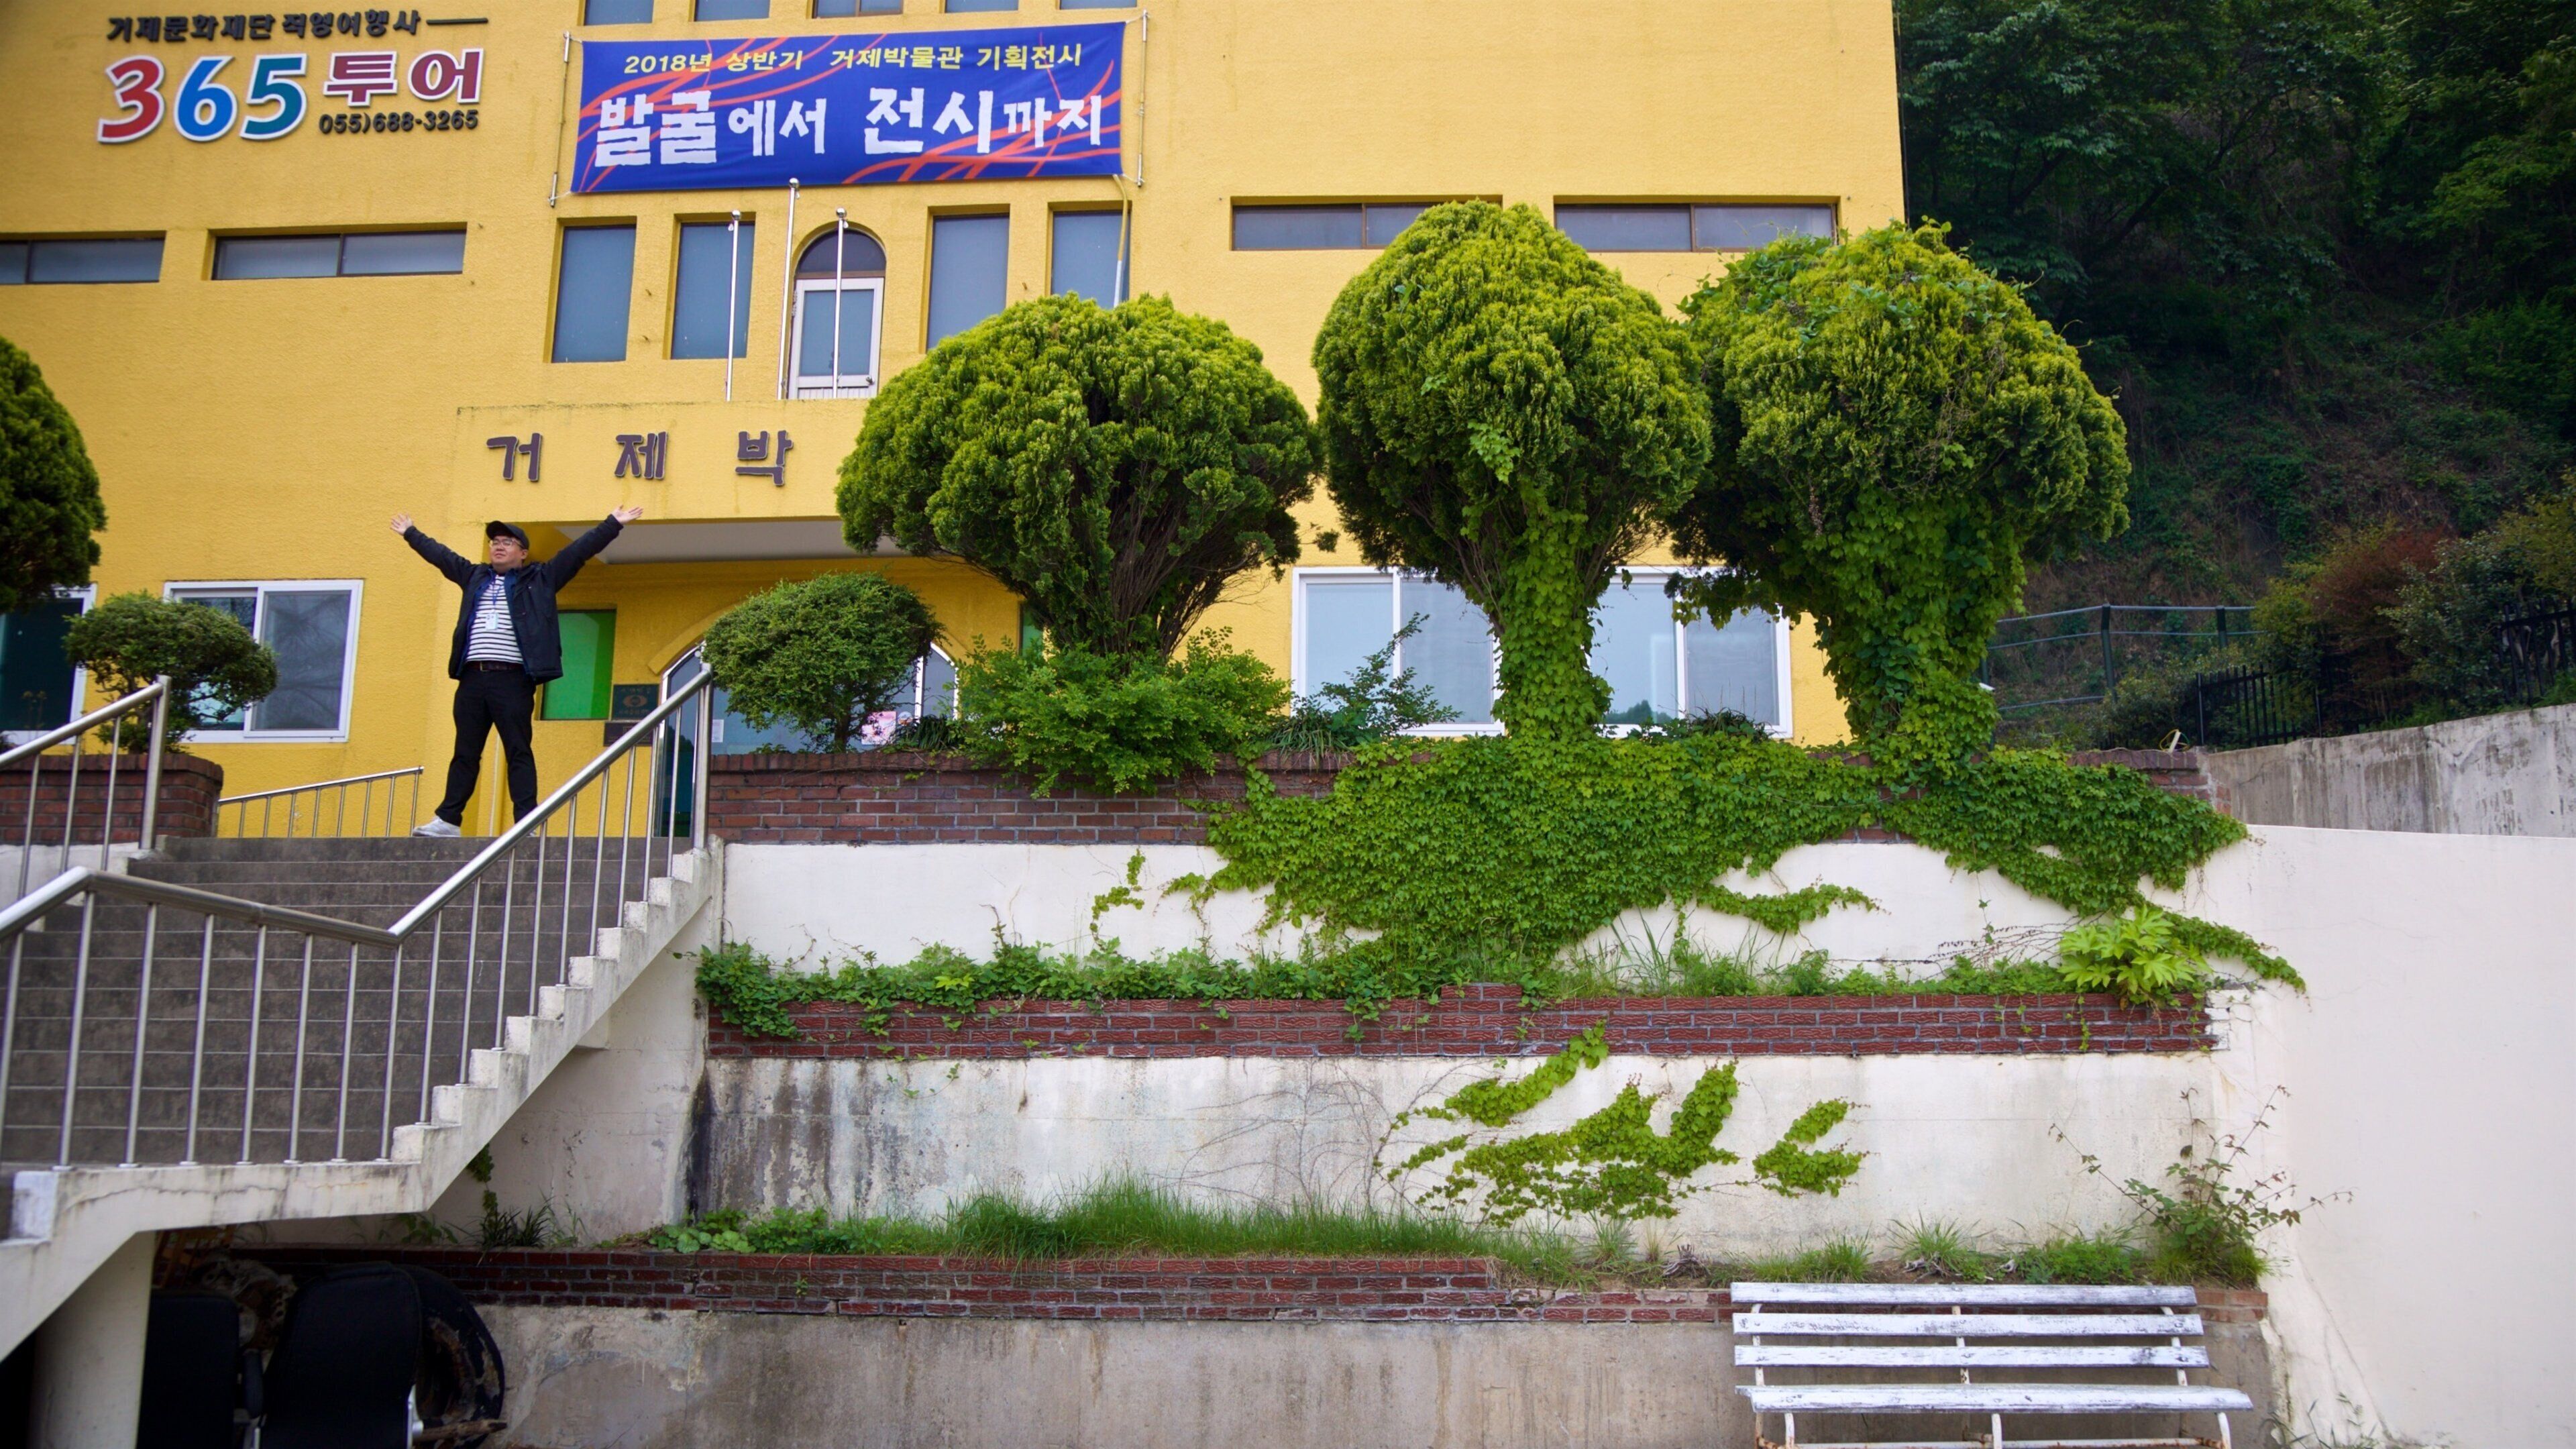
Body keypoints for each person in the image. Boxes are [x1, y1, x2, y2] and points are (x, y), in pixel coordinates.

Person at [392, 507, 643, 837]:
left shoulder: (540, 578)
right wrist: (412, 533)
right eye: (495, 541)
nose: (498, 546)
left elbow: (577, 552)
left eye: (507, 542)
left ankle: (526, 822)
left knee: (518, 750)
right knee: (465, 752)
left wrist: (612, 524)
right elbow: (442, 556)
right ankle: (449, 821)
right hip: (472, 679)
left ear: (522, 553)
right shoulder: (474, 576)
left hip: (512, 680)